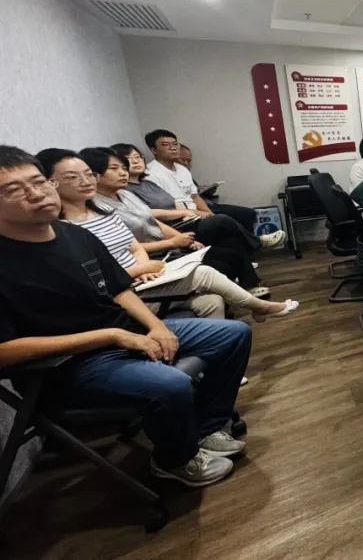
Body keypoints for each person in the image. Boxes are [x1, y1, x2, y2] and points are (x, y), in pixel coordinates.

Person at [0, 145, 251, 487]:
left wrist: (156, 326)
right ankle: (174, 460)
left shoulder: (76, 235)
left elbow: (120, 290)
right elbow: (5, 351)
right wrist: (113, 336)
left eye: (38, 182)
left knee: (233, 334)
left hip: (127, 334)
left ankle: (205, 430)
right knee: (172, 383)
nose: (36, 194)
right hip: (68, 366)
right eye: (14, 190)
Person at [37, 149, 297, 322]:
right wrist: (142, 268)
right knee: (208, 264)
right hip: (128, 286)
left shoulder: (104, 210)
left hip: (147, 271)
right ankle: (260, 305)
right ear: (49, 183)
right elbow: (94, 275)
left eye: (88, 174)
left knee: (213, 294)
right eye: (73, 177)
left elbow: (134, 244)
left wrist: (146, 264)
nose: (86, 181)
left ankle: (219, 368)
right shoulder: (62, 228)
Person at [83, 147, 264, 295]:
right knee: (222, 251)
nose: (123, 172)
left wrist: (184, 240)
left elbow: (154, 222)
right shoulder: (97, 208)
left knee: (231, 249)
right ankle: (247, 296)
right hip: (155, 256)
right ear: (94, 175)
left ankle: (250, 291)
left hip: (170, 244)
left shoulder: (126, 194)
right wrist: (173, 242)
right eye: (114, 169)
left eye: (124, 168)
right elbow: (128, 247)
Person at [112, 143, 282, 253]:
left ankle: (247, 270)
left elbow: (175, 201)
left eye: (137, 157)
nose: (135, 161)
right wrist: (187, 213)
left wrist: (194, 212)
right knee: (222, 221)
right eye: (128, 159)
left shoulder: (148, 182)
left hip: (186, 217)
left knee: (234, 222)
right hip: (174, 225)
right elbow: (148, 214)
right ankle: (257, 243)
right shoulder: (125, 190)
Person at [144, 130, 276, 245]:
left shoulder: (182, 169)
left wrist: (209, 213)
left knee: (246, 213)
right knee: (223, 220)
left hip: (195, 212)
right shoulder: (151, 174)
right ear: (154, 150)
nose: (173, 148)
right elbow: (166, 207)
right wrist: (201, 214)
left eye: (175, 144)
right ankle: (257, 242)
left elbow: (194, 196)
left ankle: (251, 252)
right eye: (165, 145)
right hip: (180, 219)